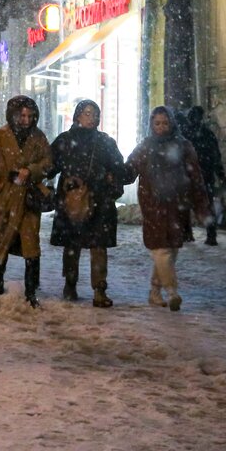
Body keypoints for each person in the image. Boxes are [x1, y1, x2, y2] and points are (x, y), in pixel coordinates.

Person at [48, 100, 132, 307]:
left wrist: (118, 175)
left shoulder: (105, 142)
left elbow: (119, 167)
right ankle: (70, 283)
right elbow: (50, 166)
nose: (91, 117)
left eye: (95, 114)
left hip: (99, 200)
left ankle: (100, 289)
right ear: (77, 116)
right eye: (87, 113)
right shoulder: (65, 140)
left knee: (98, 246)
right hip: (72, 200)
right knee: (71, 245)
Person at [126, 106, 212, 311]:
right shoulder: (145, 147)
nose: (161, 127)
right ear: (151, 125)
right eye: (157, 123)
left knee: (171, 251)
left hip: (176, 207)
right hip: (153, 206)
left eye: (165, 123)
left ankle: (155, 292)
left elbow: (195, 178)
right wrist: (112, 175)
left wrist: (201, 206)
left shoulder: (183, 146)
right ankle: (172, 292)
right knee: (161, 251)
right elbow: (129, 169)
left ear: (171, 123)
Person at [0, 96, 53, 307]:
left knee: (31, 244)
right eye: (22, 115)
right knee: (2, 241)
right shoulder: (0, 136)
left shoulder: (38, 137)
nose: (26, 120)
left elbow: (48, 162)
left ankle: (31, 291)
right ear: (13, 115)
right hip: (6, 198)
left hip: (29, 199)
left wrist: (31, 171)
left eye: (30, 116)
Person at [181, 106, 226, 246]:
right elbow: (216, 156)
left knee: (185, 205)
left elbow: (179, 157)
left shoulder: (185, 135)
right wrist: (221, 175)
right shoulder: (208, 134)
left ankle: (187, 233)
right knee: (207, 205)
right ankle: (211, 235)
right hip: (205, 175)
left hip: (188, 175)